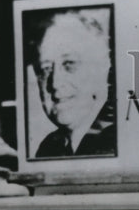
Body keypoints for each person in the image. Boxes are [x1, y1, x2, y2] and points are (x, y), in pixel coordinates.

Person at [30, 10, 116, 158]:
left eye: (69, 63)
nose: (55, 83)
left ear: (102, 68)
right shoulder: (49, 148)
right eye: (46, 69)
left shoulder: (119, 142)